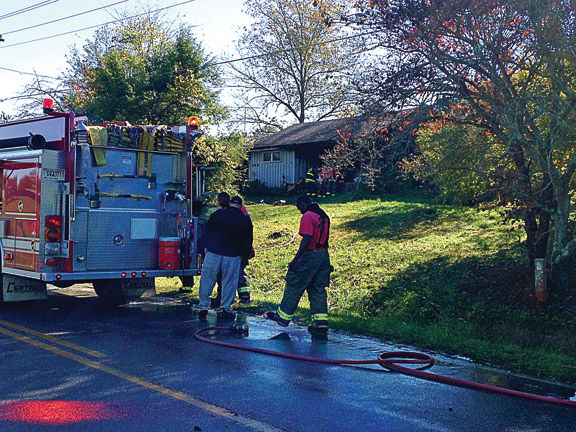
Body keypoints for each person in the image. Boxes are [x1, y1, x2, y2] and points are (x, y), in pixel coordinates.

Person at [265, 195, 332, 333]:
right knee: (317, 288)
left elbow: (307, 239)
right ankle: (320, 324)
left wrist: (295, 260)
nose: (298, 210)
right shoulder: (323, 215)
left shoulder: (308, 216)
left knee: (295, 284)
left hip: (311, 254)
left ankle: (282, 317)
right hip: (324, 255)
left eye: (298, 207)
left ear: (302, 204)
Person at [197, 192, 253, 320]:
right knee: (229, 282)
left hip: (213, 253)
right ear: (240, 206)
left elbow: (206, 232)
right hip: (232, 256)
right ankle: (225, 307)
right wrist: (243, 255)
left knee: (207, 280)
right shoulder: (245, 220)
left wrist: (202, 248)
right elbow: (248, 239)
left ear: (230, 204)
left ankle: (203, 306)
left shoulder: (217, 214)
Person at [230, 196, 254, 303]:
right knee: (239, 272)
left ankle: (243, 295)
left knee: (237, 273)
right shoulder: (244, 213)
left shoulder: (237, 214)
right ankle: (242, 294)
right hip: (243, 249)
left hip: (237, 250)